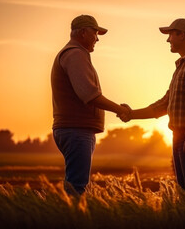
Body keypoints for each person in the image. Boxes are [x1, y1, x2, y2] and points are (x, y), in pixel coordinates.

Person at [120, 18, 185, 195]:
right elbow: (163, 105)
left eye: (171, 34)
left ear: (182, 35)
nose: (168, 39)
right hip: (180, 135)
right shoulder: (180, 67)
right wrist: (131, 114)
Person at [51, 15, 130, 195]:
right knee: (77, 189)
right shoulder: (76, 54)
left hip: (74, 129)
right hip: (76, 130)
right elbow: (89, 95)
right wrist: (120, 110)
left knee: (75, 185)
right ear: (83, 32)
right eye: (95, 32)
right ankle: (74, 219)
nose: (97, 38)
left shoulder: (73, 53)